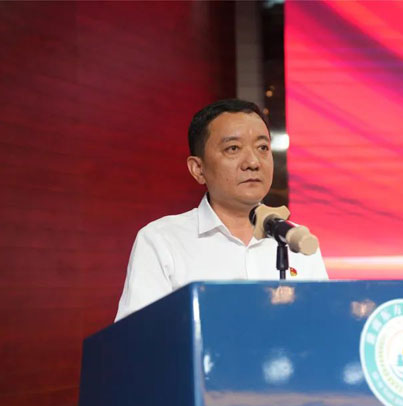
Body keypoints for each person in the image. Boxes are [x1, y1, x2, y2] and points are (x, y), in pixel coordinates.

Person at [115, 99, 328, 321]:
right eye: (233, 148)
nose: (253, 162)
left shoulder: (295, 238)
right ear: (198, 169)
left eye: (262, 148)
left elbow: (325, 324)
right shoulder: (163, 241)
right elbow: (137, 336)